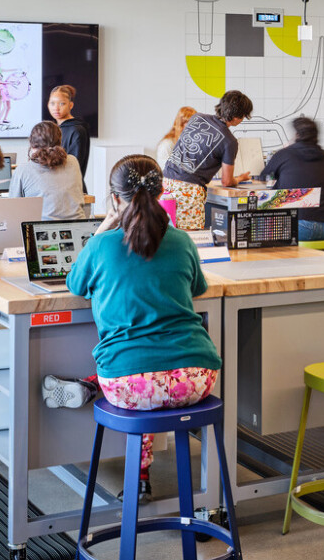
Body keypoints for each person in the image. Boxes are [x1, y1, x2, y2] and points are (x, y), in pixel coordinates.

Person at [62, 155, 221, 489]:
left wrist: (103, 227)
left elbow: (75, 284)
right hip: (196, 379)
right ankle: (169, 482)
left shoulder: (103, 245)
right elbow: (198, 289)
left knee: (139, 374)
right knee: (151, 372)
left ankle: (93, 386)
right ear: (162, 191)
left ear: (114, 198)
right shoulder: (181, 241)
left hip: (131, 385)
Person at [164, 91, 252, 230]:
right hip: (189, 190)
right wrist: (240, 178)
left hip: (166, 182)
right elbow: (227, 181)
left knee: (167, 233)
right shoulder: (229, 141)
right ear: (236, 117)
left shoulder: (197, 117)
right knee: (190, 238)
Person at [262, 115, 324, 243]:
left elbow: (264, 176)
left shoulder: (285, 154)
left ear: (297, 135)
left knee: (258, 224)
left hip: (299, 228)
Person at [9, 120, 90, 219]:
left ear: (32, 144)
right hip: (79, 228)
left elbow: (13, 209)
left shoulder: (23, 170)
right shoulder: (73, 162)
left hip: (42, 231)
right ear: (60, 141)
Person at [48, 84, 91, 173]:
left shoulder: (77, 130)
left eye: (61, 104)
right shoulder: (55, 129)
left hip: (71, 185)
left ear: (70, 105)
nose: (56, 108)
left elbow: (74, 167)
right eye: (52, 103)